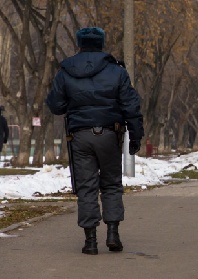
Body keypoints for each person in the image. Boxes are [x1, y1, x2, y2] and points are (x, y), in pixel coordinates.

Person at [46, 27, 144, 255]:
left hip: (79, 136)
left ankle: (90, 241)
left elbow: (55, 105)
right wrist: (136, 135)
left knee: (86, 187)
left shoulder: (65, 70)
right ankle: (113, 234)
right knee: (111, 184)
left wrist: (73, 103)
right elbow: (131, 106)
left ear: (80, 44)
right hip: (110, 134)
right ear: (101, 43)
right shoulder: (117, 71)